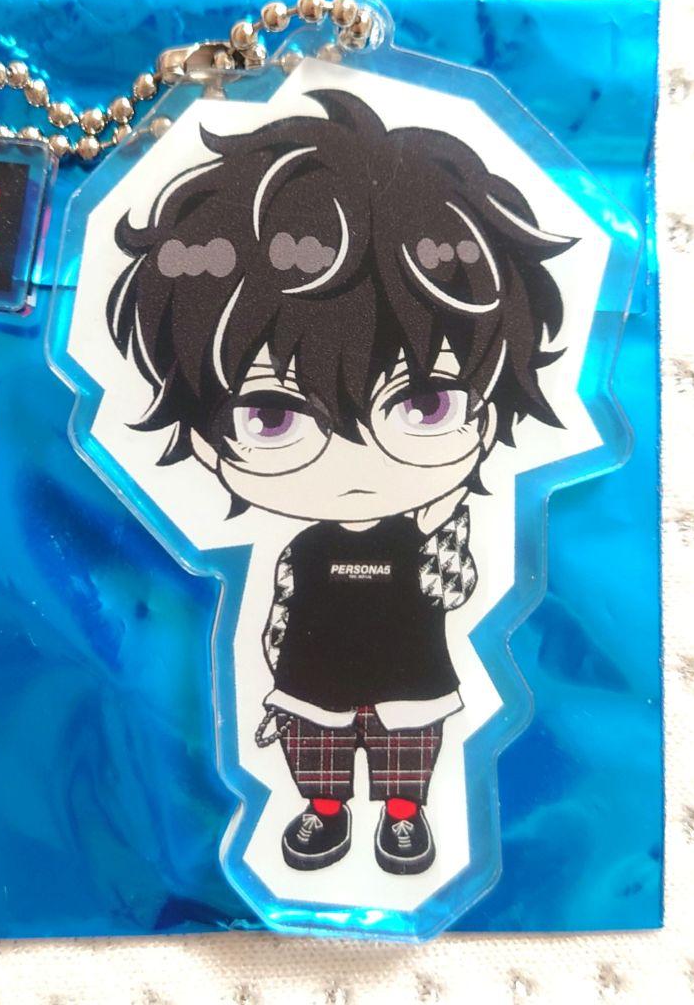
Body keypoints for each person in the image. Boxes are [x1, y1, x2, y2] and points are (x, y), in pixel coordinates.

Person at [105, 89, 573, 874]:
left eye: (423, 403)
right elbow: (278, 615)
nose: (355, 460)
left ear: (486, 413)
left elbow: (454, 585)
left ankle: (402, 817)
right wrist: (272, 679)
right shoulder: (302, 551)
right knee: (316, 750)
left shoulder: (428, 535)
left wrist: (450, 518)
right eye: (272, 416)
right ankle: (323, 813)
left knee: (406, 751)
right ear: (208, 442)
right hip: (311, 678)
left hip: (411, 675)